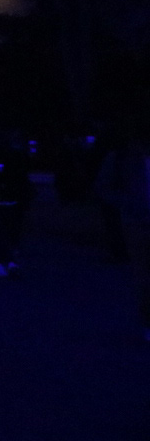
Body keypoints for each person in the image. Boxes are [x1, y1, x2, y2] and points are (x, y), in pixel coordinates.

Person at [93, 122, 150, 341]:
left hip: (136, 218)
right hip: (137, 222)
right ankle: (147, 321)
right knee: (144, 275)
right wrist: (128, 203)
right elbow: (103, 187)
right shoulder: (122, 159)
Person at [0, 135, 34, 277]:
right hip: (2, 200)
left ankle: (5, 263)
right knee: (5, 234)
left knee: (7, 234)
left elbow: (21, 180)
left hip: (8, 200)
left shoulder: (13, 161)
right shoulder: (4, 160)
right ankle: (5, 263)